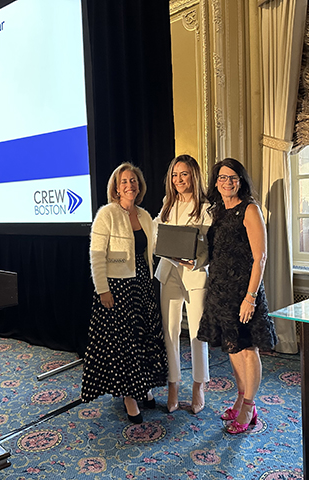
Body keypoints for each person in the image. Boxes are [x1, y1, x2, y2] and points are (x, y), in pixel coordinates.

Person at [81, 163, 168, 424]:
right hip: (117, 288)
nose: (130, 185)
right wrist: (102, 290)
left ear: (139, 186)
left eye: (133, 181)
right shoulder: (106, 214)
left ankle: (144, 385)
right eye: (124, 182)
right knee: (125, 344)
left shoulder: (144, 215)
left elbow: (154, 247)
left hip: (142, 285)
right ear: (116, 188)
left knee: (144, 338)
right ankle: (129, 395)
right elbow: (96, 256)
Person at [197, 158, 277, 434]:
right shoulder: (217, 211)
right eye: (222, 177)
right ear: (216, 182)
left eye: (233, 177)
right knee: (233, 349)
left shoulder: (250, 209)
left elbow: (260, 257)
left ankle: (249, 406)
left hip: (244, 293)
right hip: (220, 292)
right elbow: (215, 252)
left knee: (247, 350)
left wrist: (250, 297)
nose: (227, 182)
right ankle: (242, 399)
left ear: (240, 181)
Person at [154, 155, 211, 414]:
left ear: (194, 176)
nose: (178, 179)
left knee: (198, 332)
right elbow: (156, 233)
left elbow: (212, 246)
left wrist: (197, 259)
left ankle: (199, 385)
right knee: (170, 330)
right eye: (175, 175)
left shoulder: (207, 208)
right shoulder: (167, 204)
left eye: (184, 174)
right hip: (169, 272)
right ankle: (173, 385)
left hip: (195, 273)